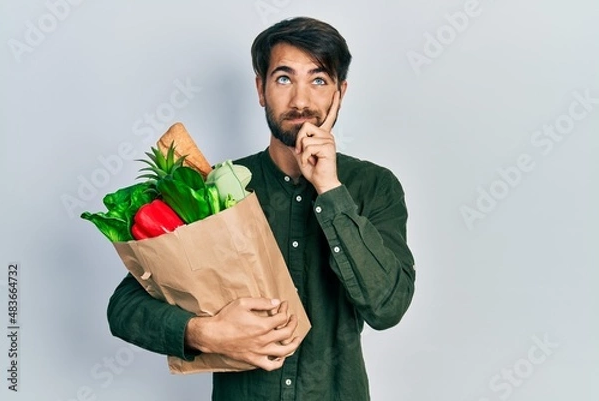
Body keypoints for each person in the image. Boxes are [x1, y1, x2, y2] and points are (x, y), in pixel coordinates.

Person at [107, 16, 416, 401]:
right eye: (284, 79)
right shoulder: (215, 190)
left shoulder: (374, 186)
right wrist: (205, 331)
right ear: (260, 89)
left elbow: (387, 307)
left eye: (318, 80)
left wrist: (330, 190)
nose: (301, 100)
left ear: (341, 92)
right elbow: (123, 307)